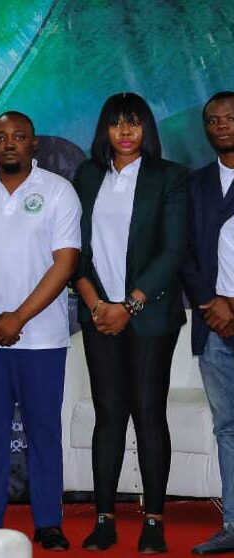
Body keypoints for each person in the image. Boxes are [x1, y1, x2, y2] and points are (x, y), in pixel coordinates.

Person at [73, 92, 187, 554]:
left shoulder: (169, 177)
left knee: (148, 413)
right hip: (99, 313)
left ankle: (154, 520)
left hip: (151, 316)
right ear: (104, 129)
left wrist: (129, 306)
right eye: (116, 123)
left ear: (146, 129)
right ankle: (104, 519)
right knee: (109, 415)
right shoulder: (87, 175)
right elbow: (74, 247)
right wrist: (97, 304)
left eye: (133, 122)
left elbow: (172, 251)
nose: (125, 131)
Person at [0, 112, 80, 550]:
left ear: (34, 144)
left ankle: (48, 521)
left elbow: (65, 263)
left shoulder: (59, 191)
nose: (9, 143)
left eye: (18, 136)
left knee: (43, 433)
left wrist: (17, 318)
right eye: (0, 137)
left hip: (43, 338)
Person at [181, 91, 234, 556]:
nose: (222, 125)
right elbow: (184, 252)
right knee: (228, 428)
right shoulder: (194, 184)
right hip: (213, 325)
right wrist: (210, 303)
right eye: (213, 120)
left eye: (230, 118)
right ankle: (233, 523)